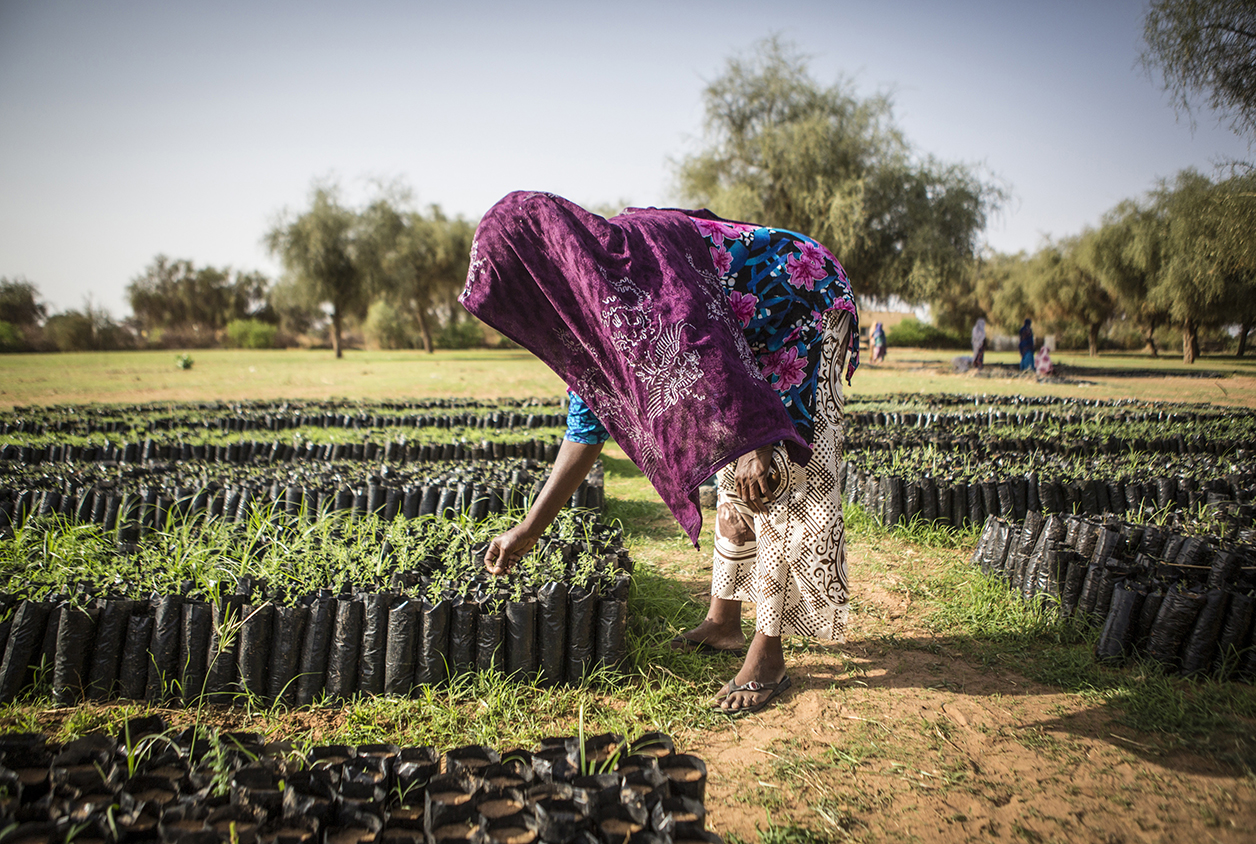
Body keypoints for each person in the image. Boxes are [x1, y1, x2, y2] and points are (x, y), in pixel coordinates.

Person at [460, 191, 859, 716]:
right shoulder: (586, 299)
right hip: (743, 332)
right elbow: (585, 430)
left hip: (799, 302)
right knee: (735, 469)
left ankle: (770, 654)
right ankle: (723, 623)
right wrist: (529, 528)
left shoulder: (636, 257)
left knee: (778, 479)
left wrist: (757, 440)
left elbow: (707, 336)